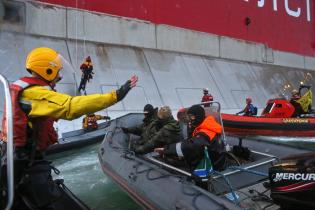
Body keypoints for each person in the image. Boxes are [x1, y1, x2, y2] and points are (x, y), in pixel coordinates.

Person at [0, 47, 138, 210]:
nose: (59, 76)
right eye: (57, 72)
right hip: (28, 166)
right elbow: (71, 106)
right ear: (48, 70)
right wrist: (116, 95)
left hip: (18, 160)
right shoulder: (36, 94)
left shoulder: (27, 92)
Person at [155, 105, 226, 172]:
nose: (190, 120)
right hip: (208, 159)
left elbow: (191, 146)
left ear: (198, 116)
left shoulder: (206, 132)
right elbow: (192, 142)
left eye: (191, 117)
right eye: (189, 117)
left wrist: (167, 149)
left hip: (211, 167)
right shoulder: (203, 127)